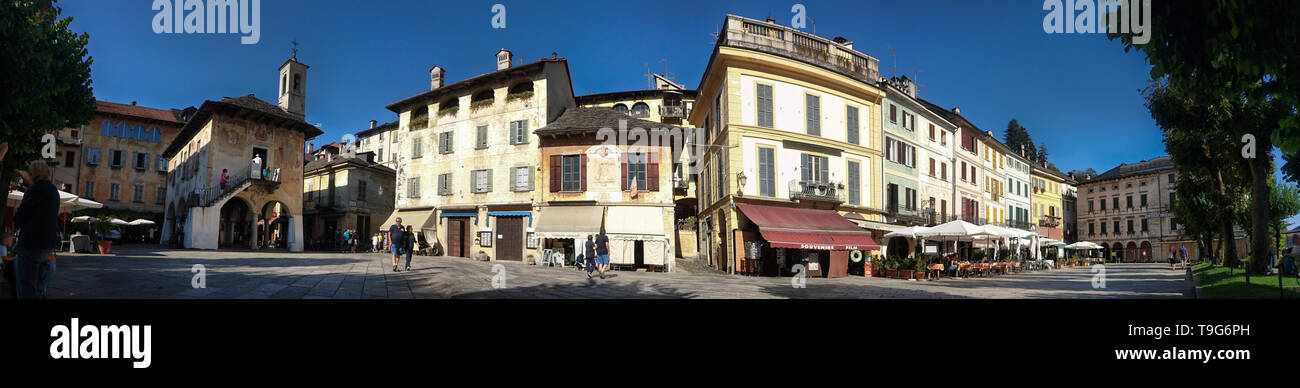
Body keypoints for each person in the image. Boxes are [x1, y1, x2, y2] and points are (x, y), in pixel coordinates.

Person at [13, 160, 60, 299]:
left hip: (31, 244)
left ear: (32, 173)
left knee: (26, 288)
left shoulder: (34, 190)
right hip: (47, 244)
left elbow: (19, 219)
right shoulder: (53, 190)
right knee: (38, 288)